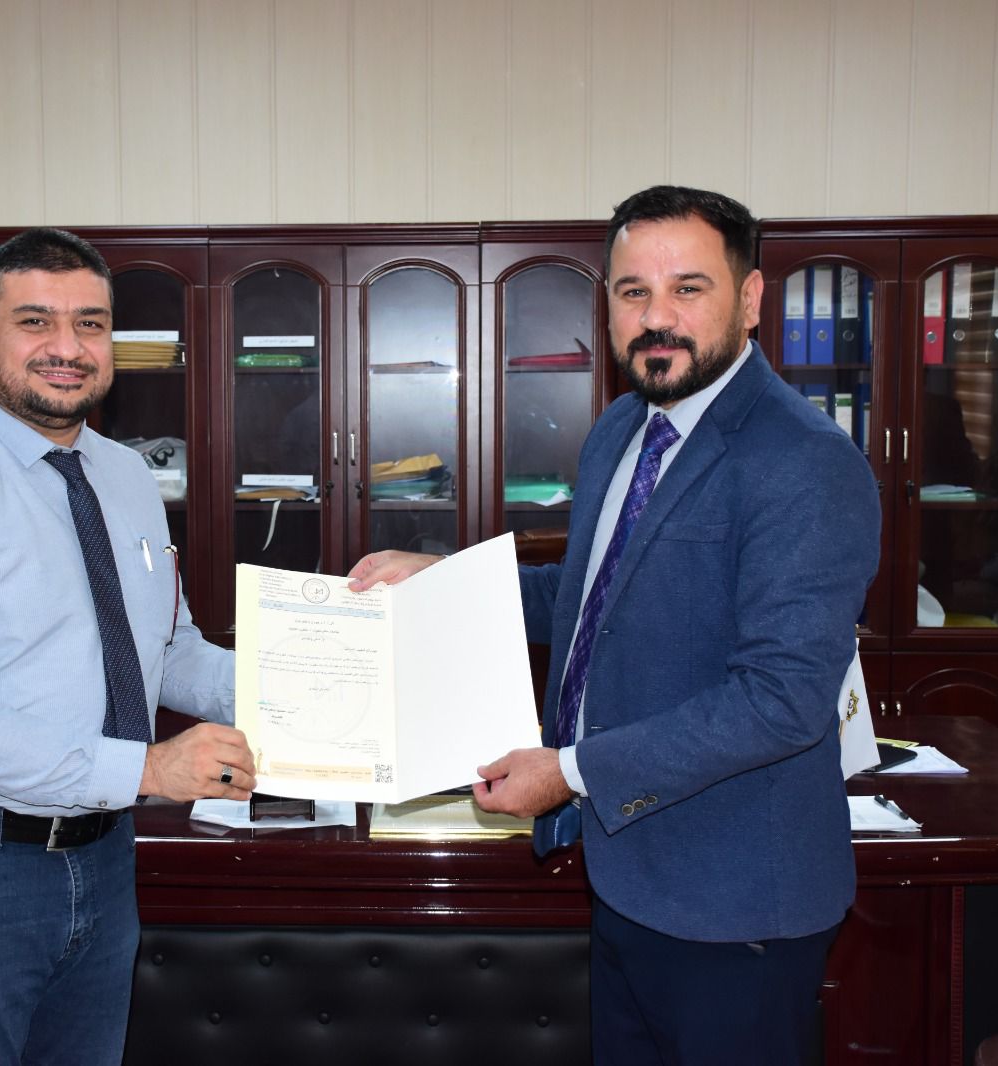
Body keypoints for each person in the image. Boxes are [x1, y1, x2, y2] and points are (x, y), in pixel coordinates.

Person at [349, 186, 880, 1065]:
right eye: (634, 292)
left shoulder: (807, 463)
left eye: (688, 289)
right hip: (629, 879)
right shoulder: (622, 431)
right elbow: (587, 597)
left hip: (738, 909)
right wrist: (443, 578)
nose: (657, 317)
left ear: (751, 299)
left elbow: (780, 701)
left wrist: (569, 772)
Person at [0, 227, 254, 1066]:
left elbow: (166, 651)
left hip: (101, 858)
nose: (67, 348)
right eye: (35, 321)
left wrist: (313, 685)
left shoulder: (127, 477)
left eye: (90, 324)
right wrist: (149, 770)